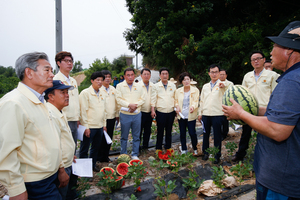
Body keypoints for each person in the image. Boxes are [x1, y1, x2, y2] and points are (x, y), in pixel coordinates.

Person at [222, 20, 300, 199]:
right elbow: (283, 114)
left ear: (289, 51)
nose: (271, 52)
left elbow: (278, 129)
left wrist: (241, 114)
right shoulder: (293, 77)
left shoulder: (291, 81)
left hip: (281, 182)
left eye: (274, 47)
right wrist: (253, 110)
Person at [0, 52, 67, 200]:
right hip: (35, 183)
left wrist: (60, 168)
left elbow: (52, 138)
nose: (52, 75)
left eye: (51, 70)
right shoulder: (14, 103)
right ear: (29, 73)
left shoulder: (40, 100)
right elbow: (6, 151)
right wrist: (16, 189)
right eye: (47, 70)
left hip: (50, 176)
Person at [232, 50, 278, 162]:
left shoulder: (273, 75)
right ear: (251, 62)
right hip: (249, 109)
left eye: (258, 58)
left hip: (265, 111)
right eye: (253, 59)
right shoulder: (248, 76)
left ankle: (266, 158)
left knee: (264, 135)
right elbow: (242, 93)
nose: (256, 61)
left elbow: (276, 94)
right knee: (245, 134)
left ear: (263, 60)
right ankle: (240, 154)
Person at [54, 51, 80, 200]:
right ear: (59, 63)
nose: (69, 63)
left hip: (73, 119)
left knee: (72, 152)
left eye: (71, 61)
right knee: (64, 152)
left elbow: (75, 101)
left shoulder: (73, 80)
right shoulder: (56, 79)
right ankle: (63, 187)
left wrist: (78, 118)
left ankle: (72, 188)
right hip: (62, 119)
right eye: (66, 61)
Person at [45, 80, 76, 200]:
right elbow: (52, 145)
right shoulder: (50, 114)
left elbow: (63, 139)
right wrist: (61, 170)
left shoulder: (59, 111)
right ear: (51, 96)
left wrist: (70, 155)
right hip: (59, 168)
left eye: (67, 92)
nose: (67, 95)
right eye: (62, 92)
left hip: (66, 162)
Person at [198, 64, 229, 164]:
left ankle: (217, 155)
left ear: (220, 73)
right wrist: (200, 113)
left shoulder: (224, 85)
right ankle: (205, 153)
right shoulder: (205, 86)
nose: (214, 74)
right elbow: (201, 101)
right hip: (206, 114)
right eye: (212, 72)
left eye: (216, 72)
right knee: (206, 134)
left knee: (217, 136)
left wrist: (224, 86)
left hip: (218, 114)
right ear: (209, 73)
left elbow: (231, 90)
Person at [79, 71, 106, 172]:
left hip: (99, 126)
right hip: (89, 127)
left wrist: (104, 124)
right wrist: (86, 127)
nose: (100, 82)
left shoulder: (102, 93)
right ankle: (83, 170)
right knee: (84, 149)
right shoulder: (85, 93)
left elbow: (104, 110)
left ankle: (92, 165)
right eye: (97, 80)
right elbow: (83, 111)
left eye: (101, 80)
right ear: (92, 81)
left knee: (95, 148)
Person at [116, 68, 145, 160]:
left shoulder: (139, 86)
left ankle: (135, 154)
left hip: (136, 114)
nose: (130, 77)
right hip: (125, 114)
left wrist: (135, 106)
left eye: (132, 75)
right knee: (124, 136)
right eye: (128, 75)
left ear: (134, 76)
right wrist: (129, 105)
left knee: (136, 136)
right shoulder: (119, 86)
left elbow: (143, 99)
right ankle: (123, 154)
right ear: (124, 76)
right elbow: (118, 99)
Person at [151, 67, 176, 152]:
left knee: (169, 130)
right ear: (160, 75)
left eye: (166, 74)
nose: (165, 75)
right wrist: (152, 110)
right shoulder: (156, 86)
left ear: (168, 75)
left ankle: (168, 146)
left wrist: (176, 108)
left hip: (171, 112)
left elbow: (175, 98)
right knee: (160, 130)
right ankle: (158, 148)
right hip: (160, 112)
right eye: (163, 74)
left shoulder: (172, 85)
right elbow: (153, 99)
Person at [175, 72, 199, 156]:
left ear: (190, 80)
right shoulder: (178, 91)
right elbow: (176, 101)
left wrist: (193, 106)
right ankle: (184, 149)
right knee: (182, 133)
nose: (186, 81)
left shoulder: (195, 90)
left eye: (188, 79)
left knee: (192, 133)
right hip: (181, 115)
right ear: (181, 81)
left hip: (191, 115)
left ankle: (195, 148)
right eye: (184, 80)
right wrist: (177, 106)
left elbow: (196, 101)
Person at [97, 70, 119, 162]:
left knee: (109, 137)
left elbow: (117, 103)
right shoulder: (99, 90)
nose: (108, 78)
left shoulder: (113, 89)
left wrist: (117, 115)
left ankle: (106, 156)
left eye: (109, 77)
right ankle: (99, 157)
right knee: (101, 139)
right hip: (102, 119)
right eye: (105, 77)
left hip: (112, 117)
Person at [139, 68, 154, 151]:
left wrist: (153, 110)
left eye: (148, 74)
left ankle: (145, 147)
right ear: (141, 76)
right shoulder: (137, 86)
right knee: (139, 131)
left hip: (149, 112)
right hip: (140, 112)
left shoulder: (153, 86)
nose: (146, 76)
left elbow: (153, 98)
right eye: (144, 74)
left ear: (150, 76)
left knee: (147, 130)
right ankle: (137, 147)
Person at [219, 69, 234, 140]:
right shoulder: (215, 83)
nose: (221, 76)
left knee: (225, 120)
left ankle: (225, 134)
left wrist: (224, 85)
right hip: (217, 104)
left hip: (226, 104)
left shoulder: (230, 83)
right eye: (220, 74)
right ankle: (218, 134)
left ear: (226, 75)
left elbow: (231, 92)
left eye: (223, 74)